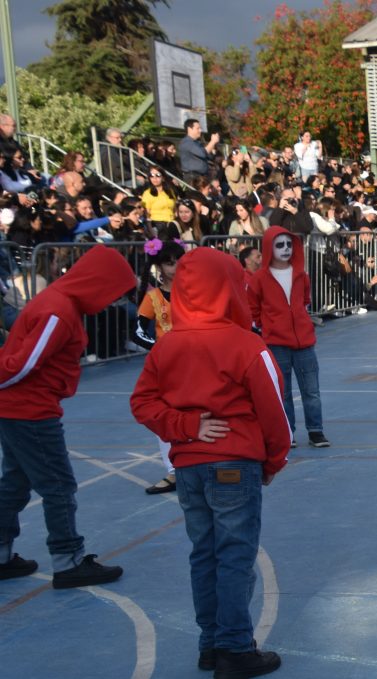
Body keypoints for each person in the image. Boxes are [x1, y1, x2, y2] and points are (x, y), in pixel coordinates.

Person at [130, 247, 290, 678]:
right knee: (235, 555)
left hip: (189, 467)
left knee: (204, 554)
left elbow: (142, 402)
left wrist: (184, 425)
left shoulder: (167, 345)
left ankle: (211, 643)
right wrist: (272, 462)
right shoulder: (246, 344)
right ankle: (235, 648)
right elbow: (275, 412)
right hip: (235, 462)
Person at [0, 246, 135, 588]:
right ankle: (68, 560)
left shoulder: (59, 303)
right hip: (30, 409)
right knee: (58, 485)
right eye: (112, 292)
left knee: (16, 483)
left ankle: (0, 554)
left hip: (20, 407)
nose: (111, 301)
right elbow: (25, 363)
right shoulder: (58, 311)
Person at [248, 226, 331, 448]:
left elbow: (305, 301)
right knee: (282, 393)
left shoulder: (301, 275)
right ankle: (287, 432)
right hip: (276, 343)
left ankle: (316, 431)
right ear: (269, 248)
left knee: (311, 390)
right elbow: (253, 308)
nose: (285, 249)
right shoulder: (259, 279)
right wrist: (267, 327)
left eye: (288, 244)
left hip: (304, 342)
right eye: (279, 245)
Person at [131, 238, 187, 494]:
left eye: (179, 261)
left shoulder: (193, 291)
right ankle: (174, 471)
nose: (175, 267)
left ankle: (197, 462)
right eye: (169, 263)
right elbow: (138, 332)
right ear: (160, 266)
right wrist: (160, 349)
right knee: (163, 414)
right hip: (165, 366)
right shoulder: (153, 297)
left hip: (196, 360)